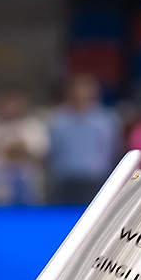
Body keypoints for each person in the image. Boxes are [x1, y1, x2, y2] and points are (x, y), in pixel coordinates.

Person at [47, 74, 120, 205]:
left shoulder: (106, 120)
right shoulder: (57, 120)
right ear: (70, 93)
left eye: (86, 90)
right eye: (78, 90)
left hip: (96, 181)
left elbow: (112, 150)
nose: (82, 95)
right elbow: (51, 150)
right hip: (65, 182)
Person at [0, 90, 48, 206]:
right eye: (7, 102)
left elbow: (42, 153)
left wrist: (20, 149)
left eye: (15, 102)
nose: (10, 107)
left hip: (25, 190)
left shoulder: (33, 127)